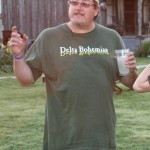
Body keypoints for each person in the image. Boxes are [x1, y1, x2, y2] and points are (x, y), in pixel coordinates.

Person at [9, 0, 138, 149]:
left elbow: (129, 81)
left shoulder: (111, 37)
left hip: (101, 134)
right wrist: (18, 56)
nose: (78, 8)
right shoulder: (49, 37)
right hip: (62, 134)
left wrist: (131, 69)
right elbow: (26, 79)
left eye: (85, 4)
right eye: (74, 3)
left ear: (96, 10)